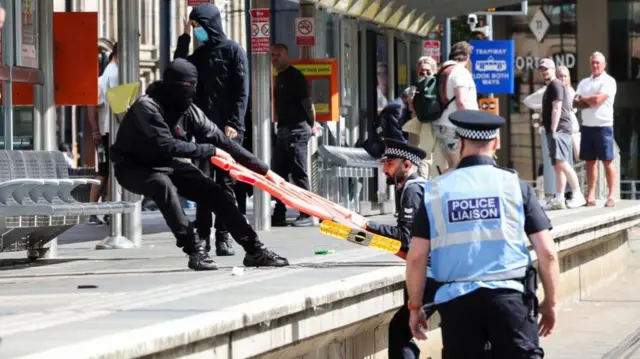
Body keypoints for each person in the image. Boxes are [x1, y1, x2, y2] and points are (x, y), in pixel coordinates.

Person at [406, 110, 559, 358]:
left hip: (457, 306)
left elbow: (416, 258)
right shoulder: (515, 186)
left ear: (460, 143)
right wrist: (550, 302)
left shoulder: (435, 190)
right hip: (510, 301)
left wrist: (415, 307)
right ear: (496, 143)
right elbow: (548, 253)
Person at [110, 59, 288, 271]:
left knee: (215, 192)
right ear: (171, 85)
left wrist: (265, 170)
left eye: (192, 87)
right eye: (184, 87)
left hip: (166, 162)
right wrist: (209, 150)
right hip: (133, 167)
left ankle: (254, 250)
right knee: (162, 186)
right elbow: (166, 145)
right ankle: (195, 250)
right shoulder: (147, 106)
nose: (189, 92)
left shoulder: (189, 110)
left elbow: (222, 140)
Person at [352, 139, 440, 359]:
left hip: (431, 274)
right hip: (439, 270)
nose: (384, 169)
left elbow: (405, 237)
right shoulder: (422, 187)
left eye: (390, 163)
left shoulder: (412, 191)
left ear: (407, 165)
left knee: (400, 332)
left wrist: (368, 226)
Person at [174, 3, 249, 256]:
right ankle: (203, 235)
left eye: (198, 26)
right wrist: (184, 37)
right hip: (202, 132)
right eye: (194, 27)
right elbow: (178, 70)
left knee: (226, 185)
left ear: (210, 24)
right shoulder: (199, 55)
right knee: (204, 184)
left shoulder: (233, 50)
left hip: (228, 132)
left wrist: (235, 125)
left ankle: (224, 236)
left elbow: (241, 92)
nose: (197, 31)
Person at [270, 43, 317, 227]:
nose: (275, 58)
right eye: (272, 55)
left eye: (278, 55)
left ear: (287, 56)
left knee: (299, 173)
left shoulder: (295, 77)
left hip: (297, 131)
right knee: (278, 173)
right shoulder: (279, 77)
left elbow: (308, 103)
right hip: (284, 131)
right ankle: (279, 213)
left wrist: (312, 123)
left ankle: (307, 214)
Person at [539, 58, 586, 209]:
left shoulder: (556, 85)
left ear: (553, 69)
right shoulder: (551, 86)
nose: (544, 72)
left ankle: (578, 194)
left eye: (546, 69)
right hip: (554, 130)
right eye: (542, 70)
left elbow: (557, 107)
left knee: (562, 163)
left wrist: (553, 129)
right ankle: (559, 198)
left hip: (559, 130)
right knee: (557, 165)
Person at [575, 51, 618, 207]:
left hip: (604, 126)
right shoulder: (584, 82)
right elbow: (575, 101)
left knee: (607, 161)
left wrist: (585, 98)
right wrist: (589, 99)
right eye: (593, 62)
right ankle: (591, 195)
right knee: (590, 162)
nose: (595, 65)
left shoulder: (609, 81)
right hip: (587, 126)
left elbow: (598, 100)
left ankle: (611, 195)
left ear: (604, 64)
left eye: (597, 63)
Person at [433, 41, 479, 170]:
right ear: (467, 57)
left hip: (442, 125)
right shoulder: (460, 72)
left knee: (453, 165)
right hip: (454, 127)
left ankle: (444, 188)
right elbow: (461, 101)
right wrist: (474, 122)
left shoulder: (443, 71)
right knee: (459, 166)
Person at [87, 42, 119, 225]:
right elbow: (91, 105)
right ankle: (94, 209)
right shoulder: (106, 78)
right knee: (104, 171)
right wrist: (95, 130)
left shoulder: (109, 77)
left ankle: (105, 209)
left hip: (108, 133)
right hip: (106, 133)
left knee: (106, 171)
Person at [556, 65, 581, 162]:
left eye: (565, 76)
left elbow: (574, 109)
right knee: (563, 159)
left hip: (571, 128)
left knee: (577, 156)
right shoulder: (554, 90)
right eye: (560, 76)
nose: (563, 78)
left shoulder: (570, 91)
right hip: (560, 129)